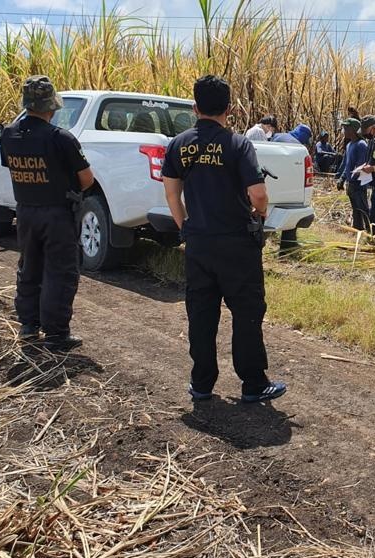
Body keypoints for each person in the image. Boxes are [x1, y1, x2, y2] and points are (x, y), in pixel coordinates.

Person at [161, 75, 287, 415]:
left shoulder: (178, 145)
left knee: (201, 313)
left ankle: (202, 383)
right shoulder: (238, 145)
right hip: (236, 244)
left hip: (199, 244)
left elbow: (171, 193)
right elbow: (258, 193)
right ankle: (253, 384)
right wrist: (260, 214)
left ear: (194, 108)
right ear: (229, 109)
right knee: (246, 313)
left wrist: (186, 227)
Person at [0, 75, 94, 352]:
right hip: (57, 214)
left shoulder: (9, 135)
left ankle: (29, 325)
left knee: (29, 267)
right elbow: (86, 179)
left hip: (25, 212)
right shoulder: (60, 138)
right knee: (60, 272)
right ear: (51, 107)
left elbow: (13, 167)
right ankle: (56, 334)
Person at [335, 118, 370, 230]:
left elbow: (361, 166)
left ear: (353, 130)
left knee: (363, 209)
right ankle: (358, 230)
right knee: (355, 210)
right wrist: (342, 179)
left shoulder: (361, 145)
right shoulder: (349, 145)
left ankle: (371, 231)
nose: (344, 131)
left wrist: (352, 180)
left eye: (346, 128)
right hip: (351, 184)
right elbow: (347, 165)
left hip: (359, 184)